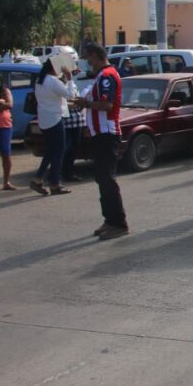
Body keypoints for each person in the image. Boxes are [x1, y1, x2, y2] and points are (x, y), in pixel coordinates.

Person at [74, 44, 129, 239]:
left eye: (88, 58)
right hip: (99, 133)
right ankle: (109, 220)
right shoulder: (101, 76)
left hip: (107, 134)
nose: (88, 63)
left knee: (107, 179)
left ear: (96, 56)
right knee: (102, 179)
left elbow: (107, 105)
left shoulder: (107, 76)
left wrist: (85, 104)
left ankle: (119, 223)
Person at [30, 59, 78, 196]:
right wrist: (69, 78)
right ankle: (55, 183)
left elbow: (54, 97)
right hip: (55, 119)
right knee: (59, 151)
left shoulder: (40, 80)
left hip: (45, 119)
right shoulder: (52, 81)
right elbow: (71, 95)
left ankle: (38, 178)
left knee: (51, 151)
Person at [61, 92, 86, 184]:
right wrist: (69, 105)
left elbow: (79, 103)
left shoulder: (73, 85)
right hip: (66, 124)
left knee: (73, 149)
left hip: (78, 122)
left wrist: (79, 104)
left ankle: (69, 173)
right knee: (64, 149)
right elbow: (59, 104)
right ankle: (58, 174)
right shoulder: (59, 86)